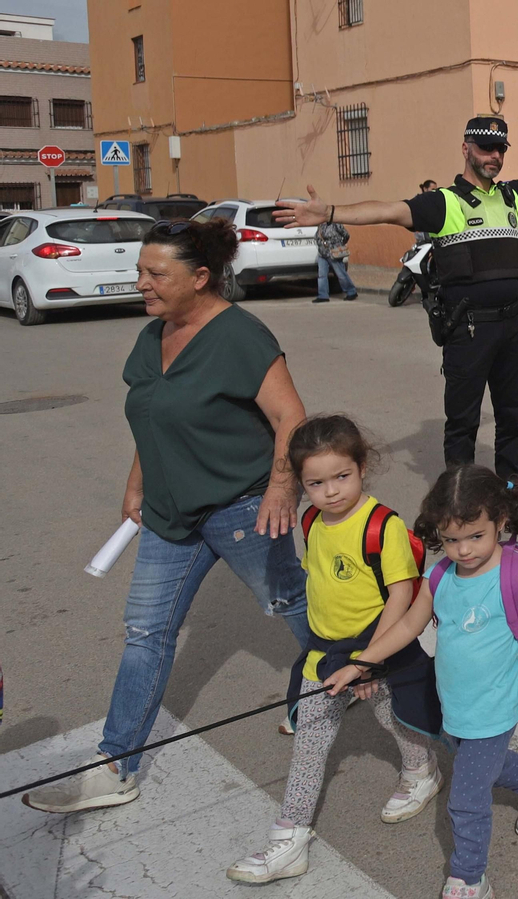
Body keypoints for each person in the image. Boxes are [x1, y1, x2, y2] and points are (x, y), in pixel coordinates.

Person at [22, 220, 313, 815]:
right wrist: (137, 485)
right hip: (168, 512)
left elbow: (292, 418)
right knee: (145, 633)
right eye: (141, 271)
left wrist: (281, 489)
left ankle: (354, 669)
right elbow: (152, 417)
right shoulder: (153, 336)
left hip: (240, 506)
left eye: (157, 274)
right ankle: (116, 765)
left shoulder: (241, 336)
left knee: (290, 605)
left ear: (200, 277)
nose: (143, 283)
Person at [274, 91, 518, 519]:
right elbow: (387, 211)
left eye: (500, 149)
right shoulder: (443, 203)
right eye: (486, 148)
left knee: (512, 417)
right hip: (468, 330)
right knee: (463, 420)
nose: (494, 157)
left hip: (512, 327)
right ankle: (460, 493)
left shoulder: (511, 196)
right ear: (466, 148)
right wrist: (332, 211)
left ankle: (511, 485)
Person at [324, 465, 518, 899]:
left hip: (496, 704)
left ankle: (469, 878)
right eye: (452, 539)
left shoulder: (515, 574)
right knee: (483, 765)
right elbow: (406, 626)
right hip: (455, 704)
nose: (463, 549)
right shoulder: (439, 576)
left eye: (476, 536)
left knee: (466, 799)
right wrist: (360, 664)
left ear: (501, 523)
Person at [226, 416, 439, 885]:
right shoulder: (310, 520)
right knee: (309, 743)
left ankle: (421, 769)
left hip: (377, 649)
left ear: (363, 466)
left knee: (395, 717)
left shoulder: (383, 526)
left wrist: (369, 662)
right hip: (325, 655)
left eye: (341, 477)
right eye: (316, 483)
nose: (331, 492)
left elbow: (401, 598)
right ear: (301, 485)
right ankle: (291, 838)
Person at [313, 220, 360, 303]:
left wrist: (339, 245)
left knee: (341, 274)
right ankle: (323, 295)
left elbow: (346, 235)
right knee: (322, 275)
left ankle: (351, 291)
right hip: (322, 254)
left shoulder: (336, 224)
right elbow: (317, 236)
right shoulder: (321, 225)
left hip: (334, 253)